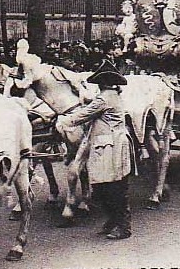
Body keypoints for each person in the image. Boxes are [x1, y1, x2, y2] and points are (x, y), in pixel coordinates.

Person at [56, 60, 133, 240]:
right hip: (109, 145)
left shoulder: (104, 98)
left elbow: (83, 115)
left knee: (113, 187)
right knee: (105, 186)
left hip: (110, 148)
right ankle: (113, 221)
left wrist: (63, 121)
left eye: (99, 82)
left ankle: (123, 227)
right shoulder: (112, 95)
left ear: (102, 83)